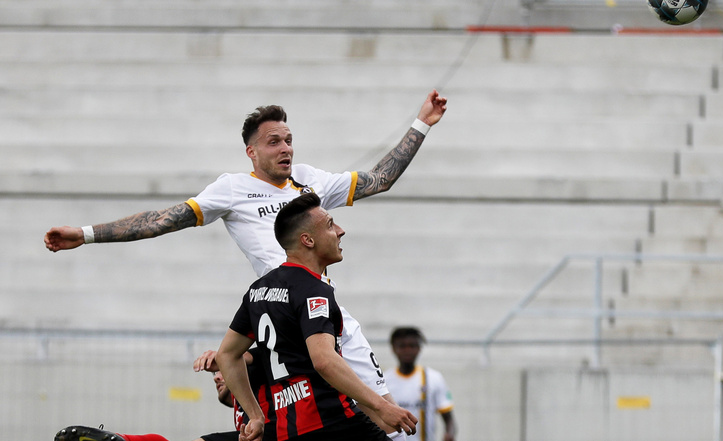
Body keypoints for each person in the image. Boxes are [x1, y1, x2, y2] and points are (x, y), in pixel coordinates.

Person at [43, 90, 447, 432]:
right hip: (284, 317)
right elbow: (163, 221)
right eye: (274, 141)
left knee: (391, 423)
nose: (286, 148)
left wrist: (422, 123)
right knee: (268, 409)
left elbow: (381, 179)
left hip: (327, 314)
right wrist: (86, 234)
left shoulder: (311, 180)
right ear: (251, 152)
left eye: (289, 139)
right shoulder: (233, 189)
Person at [216, 193, 416, 441]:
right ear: (308, 240)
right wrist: (382, 407)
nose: (341, 231)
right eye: (330, 225)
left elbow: (226, 354)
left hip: (286, 429)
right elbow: (323, 360)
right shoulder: (313, 290)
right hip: (331, 419)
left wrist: (256, 416)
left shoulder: (258, 290)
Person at [54, 349, 262, 441]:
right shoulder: (241, 405)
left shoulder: (255, 376)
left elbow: (247, 355)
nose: (216, 377)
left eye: (220, 372)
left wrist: (223, 355)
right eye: (215, 373)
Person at [385, 327, 456, 441]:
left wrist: (449, 434)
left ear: (419, 348)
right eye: (402, 346)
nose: (407, 350)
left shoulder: (433, 378)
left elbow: (449, 419)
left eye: (412, 346)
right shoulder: (384, 380)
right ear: (393, 348)